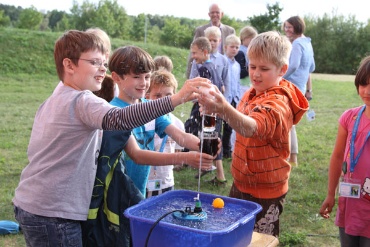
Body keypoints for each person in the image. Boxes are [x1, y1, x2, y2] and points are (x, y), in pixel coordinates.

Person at [12, 30, 213, 247]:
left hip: (39, 204)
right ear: (69, 65)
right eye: (95, 62)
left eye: (104, 63)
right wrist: (176, 99)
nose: (103, 69)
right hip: (53, 212)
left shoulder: (59, 95)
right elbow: (122, 118)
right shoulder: (81, 101)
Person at [198, 31, 309, 236]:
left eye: (264, 69)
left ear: (282, 69)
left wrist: (224, 108)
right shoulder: (252, 92)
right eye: (252, 66)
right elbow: (241, 126)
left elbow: (252, 128)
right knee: (237, 236)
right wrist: (218, 113)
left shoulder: (278, 103)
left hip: (266, 192)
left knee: (260, 240)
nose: (256, 74)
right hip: (241, 183)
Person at [108, 45, 216, 197]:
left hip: (141, 188)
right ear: (116, 77)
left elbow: (181, 137)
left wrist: (203, 145)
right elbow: (137, 155)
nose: (143, 83)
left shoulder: (150, 108)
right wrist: (184, 157)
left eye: (146, 77)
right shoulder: (113, 111)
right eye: (136, 77)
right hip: (119, 192)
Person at [319, 55, 370, 246]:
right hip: (350, 203)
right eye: (363, 84)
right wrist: (330, 193)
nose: (367, 91)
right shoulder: (349, 117)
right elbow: (337, 156)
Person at [188, 36, 227, 186]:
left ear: (205, 52)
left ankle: (220, 176)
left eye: (195, 53)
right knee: (211, 139)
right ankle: (206, 167)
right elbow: (221, 88)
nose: (193, 56)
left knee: (211, 141)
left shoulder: (204, 68)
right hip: (217, 111)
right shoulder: (213, 67)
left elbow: (204, 91)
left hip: (210, 112)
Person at [145, 68, 185, 197]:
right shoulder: (143, 123)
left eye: (168, 96)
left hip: (167, 182)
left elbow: (178, 154)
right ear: (147, 96)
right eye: (157, 96)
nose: (163, 101)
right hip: (144, 183)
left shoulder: (178, 124)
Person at [283, 16, 315, 166]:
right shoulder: (307, 42)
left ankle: (292, 157)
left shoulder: (297, 44)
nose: (286, 30)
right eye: (285, 27)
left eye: (289, 27)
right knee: (290, 122)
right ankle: (292, 157)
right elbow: (311, 68)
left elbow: (294, 65)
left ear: (297, 26)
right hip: (301, 88)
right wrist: (309, 89)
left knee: (288, 123)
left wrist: (278, 77)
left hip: (291, 87)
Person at [186, 3, 235, 78]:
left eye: (217, 12)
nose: (215, 14)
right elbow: (193, 51)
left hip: (223, 69)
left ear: (222, 14)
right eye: (212, 12)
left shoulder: (230, 31)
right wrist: (189, 74)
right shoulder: (201, 30)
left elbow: (233, 52)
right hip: (204, 68)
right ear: (209, 14)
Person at [189, 26, 229, 94]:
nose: (212, 43)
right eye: (209, 40)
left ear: (219, 41)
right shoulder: (197, 59)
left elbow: (225, 82)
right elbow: (192, 78)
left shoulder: (223, 60)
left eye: (215, 40)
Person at [222, 34, 242, 158]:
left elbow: (237, 82)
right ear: (225, 47)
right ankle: (217, 149)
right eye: (232, 47)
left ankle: (227, 150)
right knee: (220, 125)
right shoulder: (222, 62)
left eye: (237, 47)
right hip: (224, 98)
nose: (234, 49)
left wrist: (238, 97)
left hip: (234, 99)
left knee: (229, 126)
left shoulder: (237, 65)